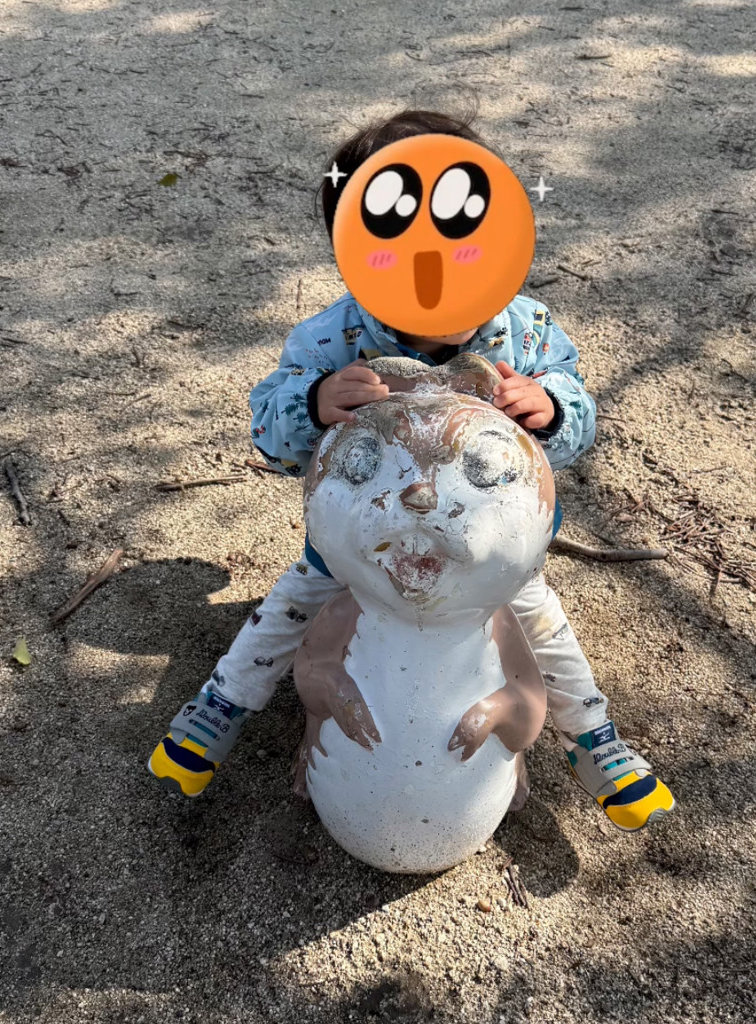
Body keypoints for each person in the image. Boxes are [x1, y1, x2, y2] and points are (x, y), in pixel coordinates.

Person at [148, 108, 674, 832]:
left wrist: (553, 409)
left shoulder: (528, 330)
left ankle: (592, 738)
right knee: (292, 605)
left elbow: (578, 417)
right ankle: (224, 704)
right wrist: (312, 402)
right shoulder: (333, 338)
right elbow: (269, 433)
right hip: (363, 544)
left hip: (488, 548)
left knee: (541, 623)